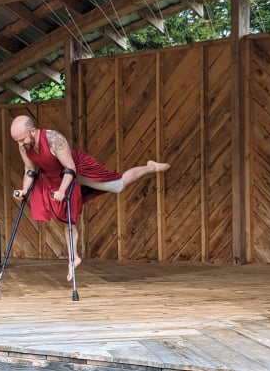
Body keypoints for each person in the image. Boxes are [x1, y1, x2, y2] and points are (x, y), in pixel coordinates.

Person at [10, 114, 170, 282]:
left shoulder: (54, 139)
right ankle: (74, 258)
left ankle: (149, 167)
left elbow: (70, 167)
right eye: (17, 141)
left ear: (33, 131)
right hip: (53, 177)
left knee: (118, 185)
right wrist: (24, 191)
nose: (21, 144)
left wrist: (63, 191)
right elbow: (30, 169)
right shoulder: (24, 147)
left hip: (75, 169)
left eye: (22, 139)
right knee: (67, 218)